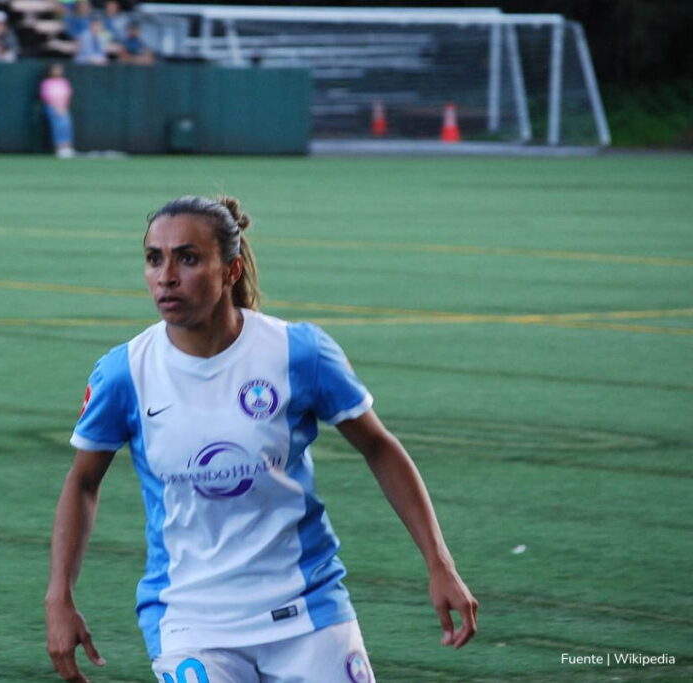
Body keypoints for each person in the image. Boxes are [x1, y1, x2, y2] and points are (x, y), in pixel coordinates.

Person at [46, 195, 479, 682]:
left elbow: (379, 446)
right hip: (190, 622)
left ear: (230, 270)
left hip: (308, 611)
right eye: (154, 259)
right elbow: (82, 483)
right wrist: (59, 596)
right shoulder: (124, 373)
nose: (166, 276)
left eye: (187, 258)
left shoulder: (298, 352)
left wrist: (439, 563)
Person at [40, 63, 75, 159]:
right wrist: (56, 107)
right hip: (51, 107)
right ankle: (59, 147)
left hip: (63, 108)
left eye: (59, 69)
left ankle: (67, 147)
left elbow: (68, 95)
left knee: (66, 124)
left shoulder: (64, 82)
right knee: (58, 125)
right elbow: (46, 97)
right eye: (55, 69)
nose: (57, 71)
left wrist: (64, 107)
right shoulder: (46, 82)